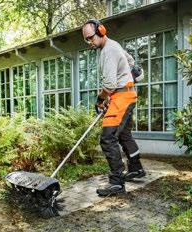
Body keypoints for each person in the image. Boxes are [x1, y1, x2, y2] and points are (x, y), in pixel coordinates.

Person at [81, 19, 146, 197]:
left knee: (108, 138)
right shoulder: (112, 45)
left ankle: (117, 182)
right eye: (86, 40)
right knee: (124, 134)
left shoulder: (108, 50)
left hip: (122, 97)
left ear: (101, 31)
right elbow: (130, 60)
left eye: (91, 38)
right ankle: (136, 168)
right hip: (125, 95)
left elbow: (108, 85)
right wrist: (127, 74)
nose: (89, 43)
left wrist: (100, 100)